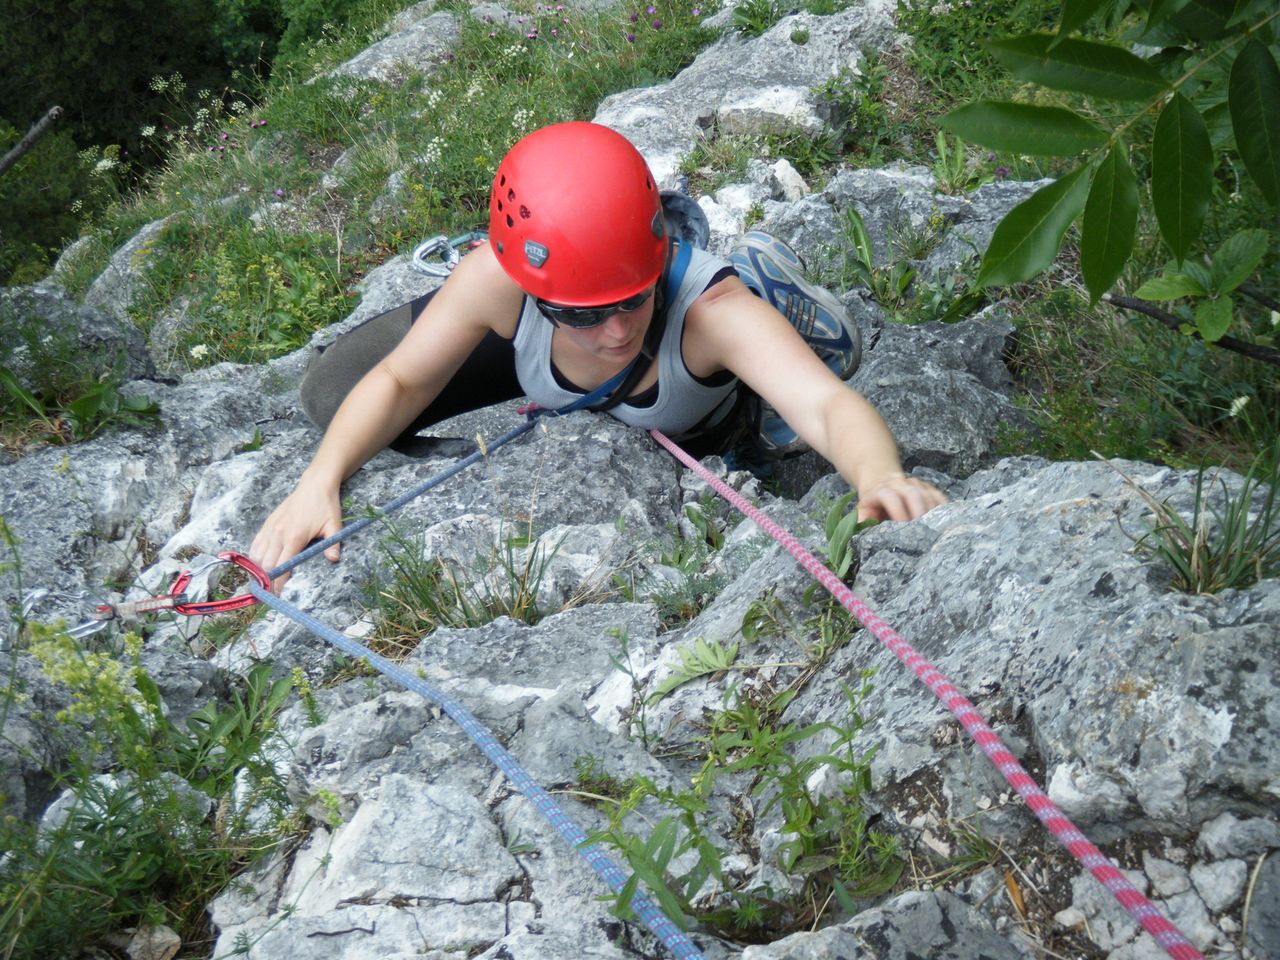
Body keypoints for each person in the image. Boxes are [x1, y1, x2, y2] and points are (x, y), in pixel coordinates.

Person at [250, 122, 946, 587]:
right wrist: (320, 480)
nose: (614, 331)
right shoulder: (498, 282)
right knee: (332, 394)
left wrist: (879, 475)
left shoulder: (710, 315)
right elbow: (401, 380)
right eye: (583, 312)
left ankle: (766, 325)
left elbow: (826, 406)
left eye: (631, 300)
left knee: (740, 404)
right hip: (544, 334)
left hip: (693, 385)